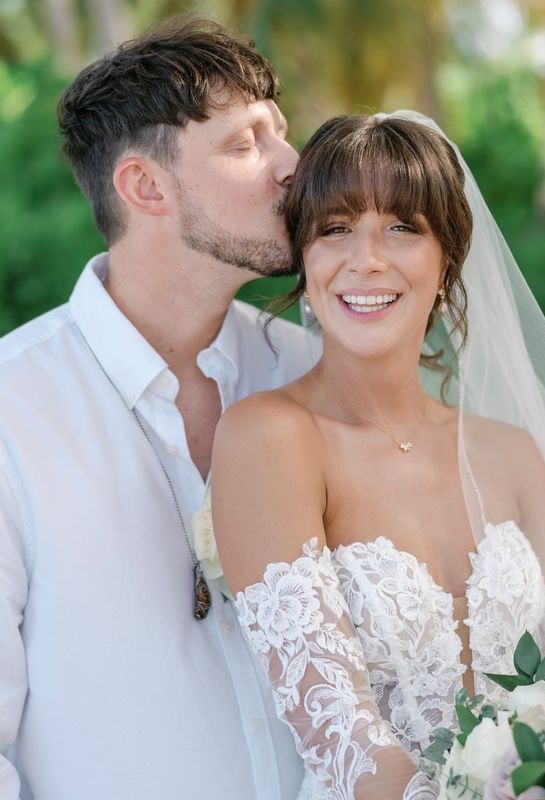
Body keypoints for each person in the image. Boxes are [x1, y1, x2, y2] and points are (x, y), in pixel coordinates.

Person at [211, 111, 545, 798]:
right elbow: (340, 737)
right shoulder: (268, 439)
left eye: (402, 227)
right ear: (304, 257)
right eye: (335, 229)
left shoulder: (512, 454)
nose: (366, 259)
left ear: (446, 259)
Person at [0, 17, 321, 800]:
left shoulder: (314, 373)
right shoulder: (13, 410)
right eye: (245, 144)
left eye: (281, 132)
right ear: (145, 187)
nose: (293, 165)